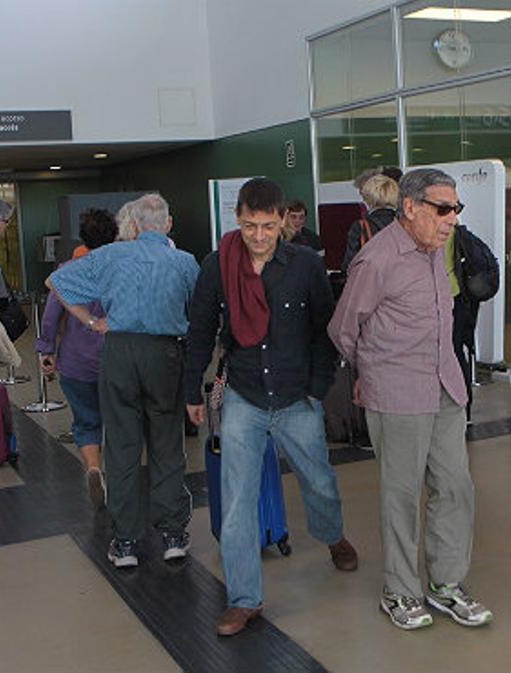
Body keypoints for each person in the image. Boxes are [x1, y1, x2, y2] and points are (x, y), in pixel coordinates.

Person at [183, 178, 358, 637]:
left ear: (283, 219)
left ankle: (333, 535)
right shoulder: (217, 265)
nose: (258, 235)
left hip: (297, 396)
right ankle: (245, 599)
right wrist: (190, 391)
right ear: (236, 218)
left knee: (318, 481)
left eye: (266, 225)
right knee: (237, 501)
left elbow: (326, 329)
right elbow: (200, 328)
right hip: (244, 395)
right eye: (248, 225)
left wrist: (318, 388)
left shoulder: (304, 265)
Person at [329, 168, 493, 632]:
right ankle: (399, 591)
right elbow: (343, 328)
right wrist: (371, 370)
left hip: (445, 385)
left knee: (456, 486)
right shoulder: (376, 260)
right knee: (401, 495)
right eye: (443, 209)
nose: (451, 220)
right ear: (410, 208)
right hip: (397, 392)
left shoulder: (436, 253)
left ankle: (445, 585)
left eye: (456, 209)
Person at [47, 194, 199, 570]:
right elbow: (197, 311)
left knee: (121, 445)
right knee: (166, 441)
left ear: (133, 225)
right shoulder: (184, 262)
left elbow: (56, 280)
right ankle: (173, 535)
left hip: (117, 353)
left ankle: (126, 541)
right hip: (165, 353)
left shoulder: (112, 255)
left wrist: (90, 322)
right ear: (167, 224)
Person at [36, 208, 118, 508]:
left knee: (86, 422)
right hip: (117, 359)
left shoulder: (67, 269)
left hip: (76, 360)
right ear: (115, 235)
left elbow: (50, 316)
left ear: (83, 237)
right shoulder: (123, 267)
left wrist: (47, 350)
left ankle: (94, 468)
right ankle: (122, 480)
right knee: (120, 420)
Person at [447, 216, 500, 421]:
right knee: (458, 352)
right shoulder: (458, 233)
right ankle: (465, 407)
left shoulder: (432, 235)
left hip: (440, 301)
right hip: (459, 299)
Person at [342, 174, 399, 274]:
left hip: (373, 283)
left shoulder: (360, 227)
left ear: (368, 199)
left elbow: (349, 265)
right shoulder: (406, 224)